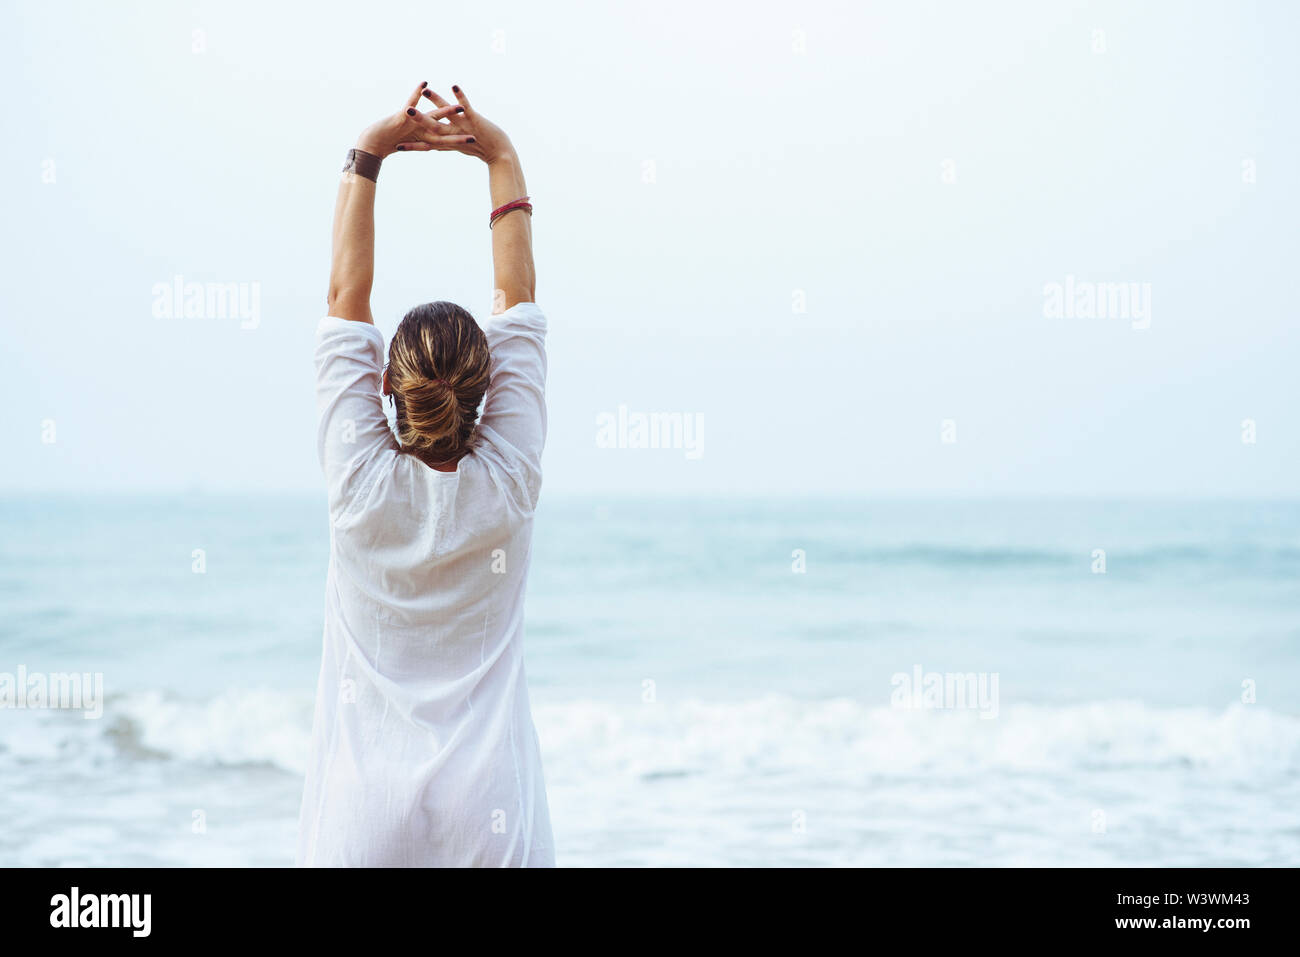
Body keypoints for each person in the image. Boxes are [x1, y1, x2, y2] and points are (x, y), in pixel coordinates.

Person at [296, 82, 554, 866]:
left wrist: (368, 154)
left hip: (362, 814)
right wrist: (499, 156)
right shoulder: (509, 482)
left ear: (384, 388)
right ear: (491, 390)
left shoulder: (358, 489)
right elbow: (519, 297)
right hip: (491, 808)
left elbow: (346, 297)